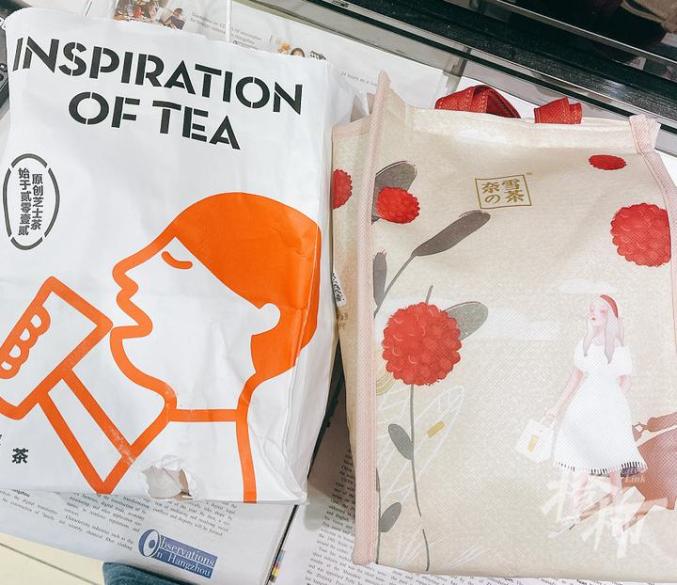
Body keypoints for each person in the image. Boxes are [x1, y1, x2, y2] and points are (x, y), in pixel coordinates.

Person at [0, 193, 321, 502]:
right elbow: (108, 459)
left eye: (174, 263)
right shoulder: (190, 432)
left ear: (262, 318)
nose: (127, 272)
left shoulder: (214, 451)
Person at [544, 295, 646, 523]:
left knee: (612, 463)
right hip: (585, 405)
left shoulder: (617, 346)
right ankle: (575, 511)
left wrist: (614, 401)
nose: (594, 314)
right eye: (592, 310)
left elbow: (626, 379)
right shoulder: (584, 344)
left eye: (601, 311)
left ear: (611, 317)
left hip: (610, 408)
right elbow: (575, 377)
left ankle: (617, 513)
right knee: (581, 458)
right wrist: (557, 407)